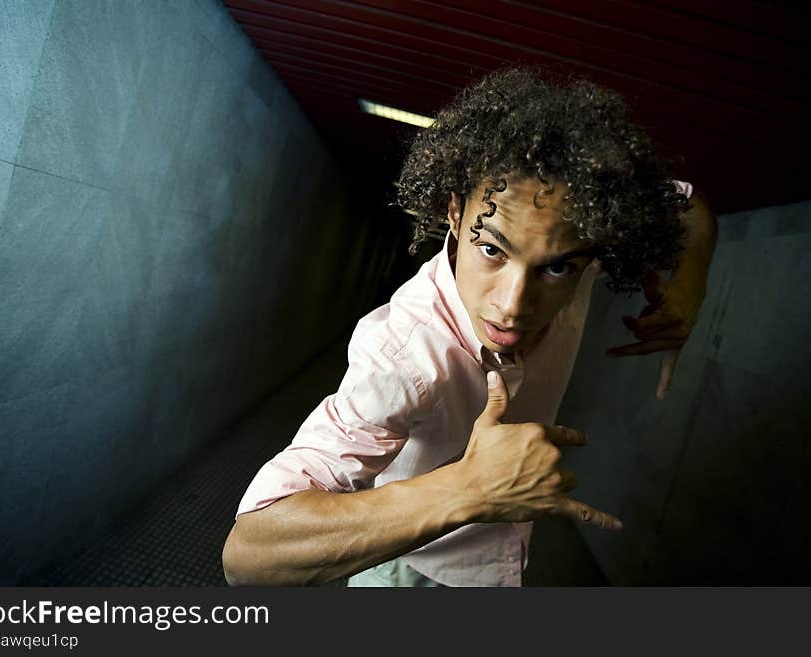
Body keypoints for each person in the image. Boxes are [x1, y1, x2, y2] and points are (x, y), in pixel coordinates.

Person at [222, 67, 718, 587]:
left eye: (556, 268)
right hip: (407, 570)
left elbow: (687, 204)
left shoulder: (580, 230)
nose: (512, 305)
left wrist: (690, 286)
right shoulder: (404, 353)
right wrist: (471, 489)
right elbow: (251, 554)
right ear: (456, 214)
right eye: (492, 250)